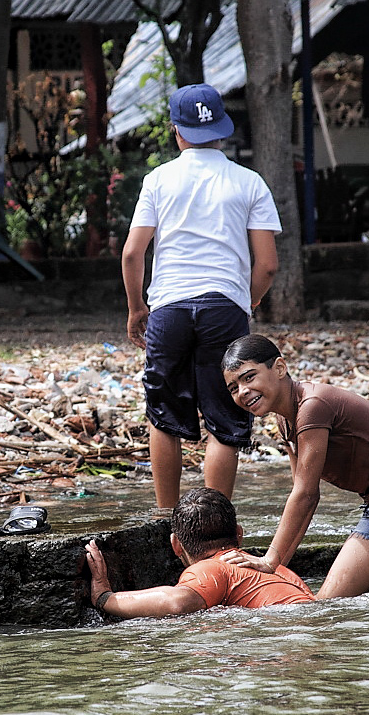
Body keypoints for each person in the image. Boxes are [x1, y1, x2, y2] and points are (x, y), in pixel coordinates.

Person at [120, 83, 281, 509]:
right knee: (225, 419)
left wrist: (138, 308)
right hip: (224, 308)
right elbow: (267, 265)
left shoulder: (158, 180)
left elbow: (134, 252)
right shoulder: (249, 182)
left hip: (169, 308)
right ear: (222, 130)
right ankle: (211, 527)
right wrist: (246, 300)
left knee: (164, 417)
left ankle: (166, 519)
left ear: (177, 130)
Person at [220, 334, 369, 599]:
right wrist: (276, 566)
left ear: (279, 368)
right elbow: (304, 493)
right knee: (326, 608)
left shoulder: (312, 406)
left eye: (249, 377)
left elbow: (306, 495)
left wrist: (270, 559)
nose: (242, 391)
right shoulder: (286, 421)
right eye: (233, 387)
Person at [85, 486, 314, 618]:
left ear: (176, 545)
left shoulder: (211, 568)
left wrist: (106, 598)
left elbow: (177, 603)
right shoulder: (280, 570)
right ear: (239, 534)